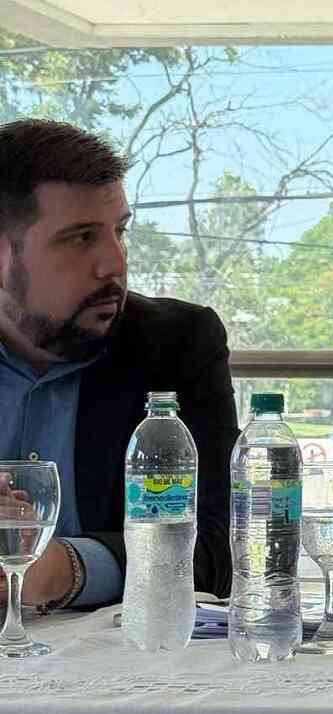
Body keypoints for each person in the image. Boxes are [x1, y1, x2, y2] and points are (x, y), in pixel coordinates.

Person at [0, 119, 238, 609]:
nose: (116, 262)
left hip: (116, 647)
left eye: (120, 231)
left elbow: (221, 550)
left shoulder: (175, 345)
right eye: (81, 238)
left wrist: (64, 570)